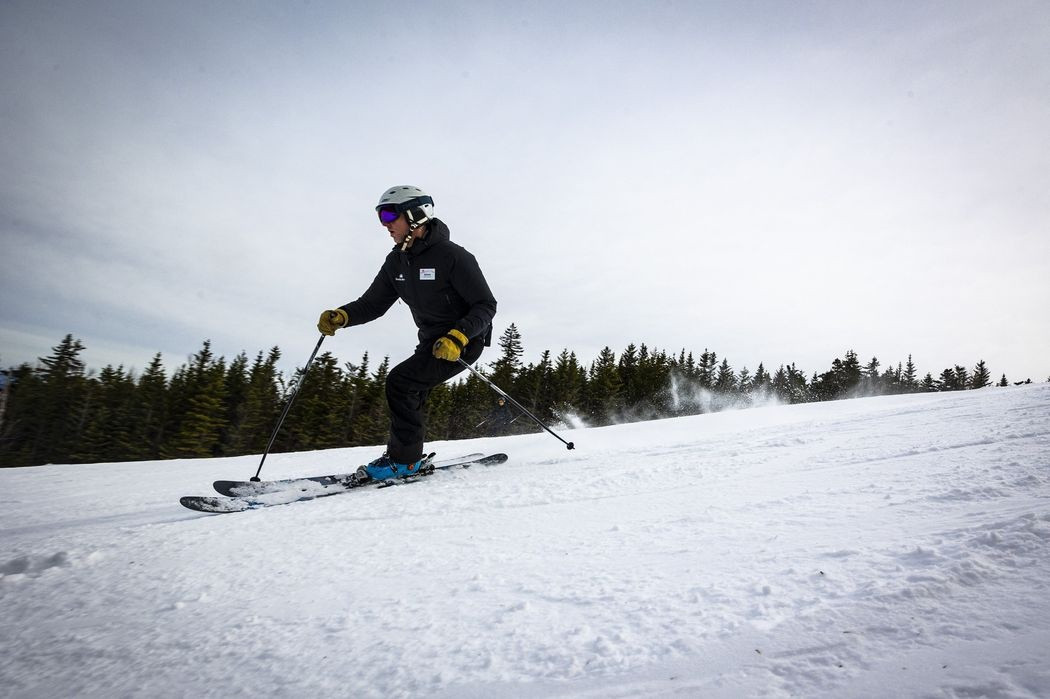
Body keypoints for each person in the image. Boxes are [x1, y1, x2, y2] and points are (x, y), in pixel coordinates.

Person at [317, 185, 497, 481]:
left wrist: (458, 336)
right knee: (412, 390)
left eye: (389, 215)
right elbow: (372, 303)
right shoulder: (396, 262)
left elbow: (485, 304)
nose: (385, 224)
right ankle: (406, 455)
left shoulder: (453, 257)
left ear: (416, 215)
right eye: (380, 217)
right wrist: (343, 316)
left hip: (463, 341)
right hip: (430, 343)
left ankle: (405, 461)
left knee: (400, 383)